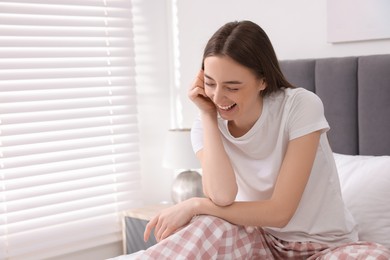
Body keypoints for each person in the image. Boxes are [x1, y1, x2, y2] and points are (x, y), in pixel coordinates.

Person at [110, 20, 388, 259]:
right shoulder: (207, 121)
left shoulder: (300, 106)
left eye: (232, 87)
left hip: (326, 247)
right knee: (207, 226)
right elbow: (221, 196)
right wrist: (207, 117)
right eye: (210, 83)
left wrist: (194, 204)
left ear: (263, 80)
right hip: (261, 241)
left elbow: (280, 212)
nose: (218, 97)